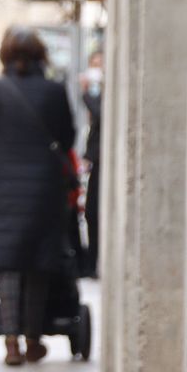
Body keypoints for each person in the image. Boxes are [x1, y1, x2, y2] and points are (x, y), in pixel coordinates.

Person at [0, 26, 78, 367]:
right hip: (43, 188)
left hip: (2, 186)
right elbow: (67, 136)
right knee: (38, 264)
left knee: (7, 265)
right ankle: (33, 338)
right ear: (41, 55)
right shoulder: (54, 90)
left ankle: (11, 342)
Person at [79, 54, 104, 279]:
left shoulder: (100, 95)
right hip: (97, 159)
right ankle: (91, 261)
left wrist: (86, 93)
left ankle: (92, 261)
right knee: (91, 212)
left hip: (103, 160)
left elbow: (100, 114)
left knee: (94, 211)